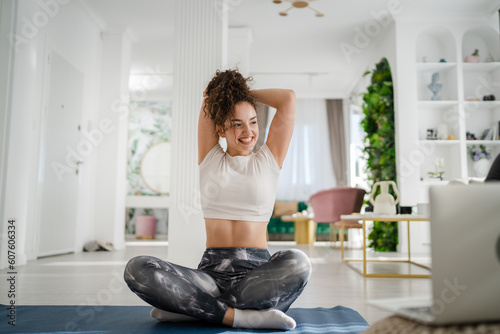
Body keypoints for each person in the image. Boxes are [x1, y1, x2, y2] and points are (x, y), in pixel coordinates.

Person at [124, 69, 312, 330]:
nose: (248, 131)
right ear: (221, 128)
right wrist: (223, 97)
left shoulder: (269, 160)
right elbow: (208, 99)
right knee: (137, 268)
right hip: (211, 275)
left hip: (256, 275)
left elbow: (288, 99)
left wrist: (241, 94)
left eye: (253, 121)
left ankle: (194, 308)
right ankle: (238, 316)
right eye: (237, 123)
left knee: (299, 262)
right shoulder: (211, 158)